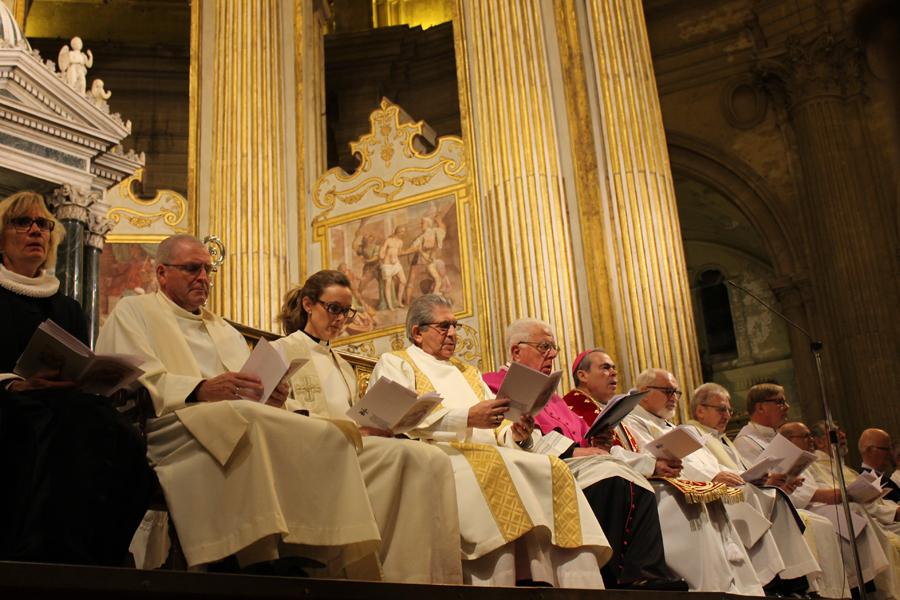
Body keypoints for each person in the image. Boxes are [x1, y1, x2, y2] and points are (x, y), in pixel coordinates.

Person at [96, 235, 382, 575]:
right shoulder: (135, 311)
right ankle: (252, 557)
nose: (203, 277)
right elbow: (132, 376)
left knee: (324, 432)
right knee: (252, 421)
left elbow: (248, 386)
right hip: (172, 424)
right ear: (161, 273)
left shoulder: (223, 328)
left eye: (207, 269)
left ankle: (319, 552)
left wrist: (272, 396)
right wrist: (200, 388)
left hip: (231, 416)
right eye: (191, 269)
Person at [371, 294, 611, 588]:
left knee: (552, 468)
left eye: (455, 326)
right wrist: (466, 418)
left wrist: (516, 433)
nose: (453, 334)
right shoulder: (396, 362)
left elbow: (497, 424)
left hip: (489, 451)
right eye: (444, 326)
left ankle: (559, 578)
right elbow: (396, 418)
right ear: (417, 332)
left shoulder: (468, 372)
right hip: (436, 453)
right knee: (495, 468)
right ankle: (505, 580)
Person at [270, 270, 462, 584]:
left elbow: (355, 417)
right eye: (334, 309)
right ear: (308, 304)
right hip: (309, 451)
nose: (341, 319)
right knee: (411, 458)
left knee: (434, 459)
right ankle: (397, 576)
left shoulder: (342, 364)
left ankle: (434, 578)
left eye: (347, 311)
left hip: (347, 446)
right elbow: (278, 414)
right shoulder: (283, 350)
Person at [0, 191, 154, 566]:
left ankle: (101, 552)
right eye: (23, 223)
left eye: (44, 224)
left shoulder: (66, 306)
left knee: (120, 433)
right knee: (52, 426)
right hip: (8, 400)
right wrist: (14, 383)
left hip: (60, 399)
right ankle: (38, 551)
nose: (36, 230)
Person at [482, 319, 682, 589]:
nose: (552, 354)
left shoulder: (553, 395)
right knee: (614, 476)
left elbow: (583, 436)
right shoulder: (493, 384)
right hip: (537, 467)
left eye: (554, 347)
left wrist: (595, 440)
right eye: (544, 347)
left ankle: (645, 574)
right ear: (516, 352)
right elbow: (513, 434)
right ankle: (619, 577)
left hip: (576, 463)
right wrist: (576, 449)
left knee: (633, 478)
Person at [685, 383, 829, 596]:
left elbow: (741, 471)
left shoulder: (722, 439)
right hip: (718, 495)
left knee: (775, 497)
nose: (727, 415)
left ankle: (795, 580)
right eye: (721, 409)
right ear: (700, 410)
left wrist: (768, 478)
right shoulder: (692, 433)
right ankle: (775, 582)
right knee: (771, 499)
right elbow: (700, 468)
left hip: (740, 490)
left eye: (729, 410)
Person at [781, 421, 899, 596]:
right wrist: (840, 495)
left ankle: (870, 582)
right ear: (788, 440)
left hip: (842, 512)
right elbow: (807, 496)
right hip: (818, 515)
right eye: (805, 436)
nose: (810, 440)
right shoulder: (795, 461)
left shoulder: (810, 461)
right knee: (851, 513)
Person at [859, 428, 900, 503]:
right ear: (870, 450)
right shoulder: (866, 481)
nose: (891, 454)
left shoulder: (881, 477)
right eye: (886, 449)